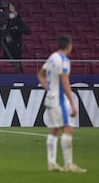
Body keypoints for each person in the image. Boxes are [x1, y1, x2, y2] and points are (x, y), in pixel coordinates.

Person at [37, 35, 87, 173]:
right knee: (68, 129)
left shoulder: (52, 57)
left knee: (54, 130)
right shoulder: (64, 60)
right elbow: (65, 82)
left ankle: (51, 163)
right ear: (69, 46)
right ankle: (68, 164)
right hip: (59, 99)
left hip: (50, 97)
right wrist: (72, 102)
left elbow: (40, 74)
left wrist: (47, 87)